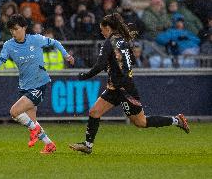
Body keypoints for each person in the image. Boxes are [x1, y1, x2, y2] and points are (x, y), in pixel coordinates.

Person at [69, 13, 190, 154]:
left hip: (125, 89)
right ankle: (88, 146)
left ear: (108, 28)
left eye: (102, 29)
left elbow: (100, 65)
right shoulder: (122, 40)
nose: (101, 32)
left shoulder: (109, 43)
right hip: (116, 87)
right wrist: (115, 66)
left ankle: (177, 120)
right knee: (94, 112)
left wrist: (84, 76)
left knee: (141, 122)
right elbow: (131, 60)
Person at [0, 14, 74, 154]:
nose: (14, 33)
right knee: (32, 122)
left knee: (14, 112)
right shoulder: (8, 45)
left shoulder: (36, 39)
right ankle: (49, 145)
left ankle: (35, 131)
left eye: (16, 29)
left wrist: (66, 55)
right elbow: (1, 60)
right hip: (24, 86)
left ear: (24, 28)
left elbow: (55, 43)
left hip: (39, 84)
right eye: (11, 30)